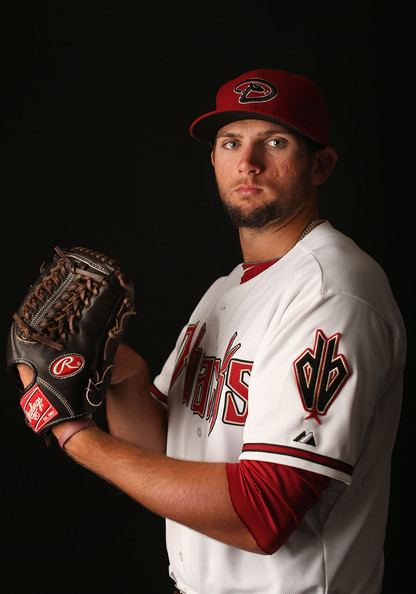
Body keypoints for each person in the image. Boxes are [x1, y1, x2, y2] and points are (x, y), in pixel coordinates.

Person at [17, 68, 406, 594]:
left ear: (321, 165)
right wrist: (123, 377)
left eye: (274, 141)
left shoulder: (331, 292)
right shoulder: (229, 288)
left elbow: (263, 512)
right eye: (231, 142)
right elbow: (165, 447)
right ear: (214, 160)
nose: (248, 163)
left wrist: (77, 439)